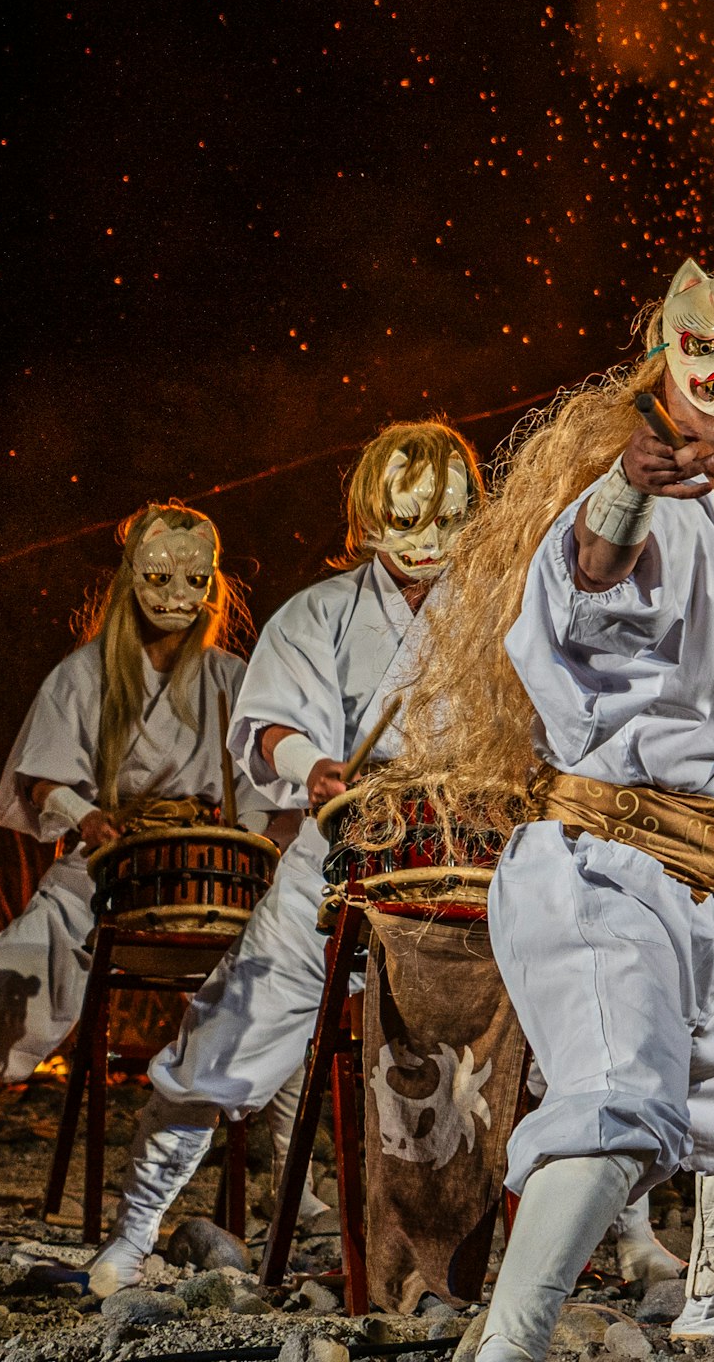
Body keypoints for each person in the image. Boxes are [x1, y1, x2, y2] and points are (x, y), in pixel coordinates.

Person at [413, 260, 714, 1357]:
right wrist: (629, 486)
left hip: (708, 883)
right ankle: (510, 1343)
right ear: (665, 370)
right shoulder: (635, 506)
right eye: (705, 355)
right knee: (616, 1105)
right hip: (599, 872)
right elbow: (589, 581)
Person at [79, 423, 479, 1292]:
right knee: (222, 1042)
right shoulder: (317, 615)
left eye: (448, 521)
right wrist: (314, 766)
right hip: (335, 870)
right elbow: (269, 726)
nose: (427, 545)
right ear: (369, 518)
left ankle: (576, 1240)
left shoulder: (497, 615)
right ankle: (136, 1229)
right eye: (407, 522)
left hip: (466, 875)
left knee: (541, 1042)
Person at [0, 502, 248, 1223]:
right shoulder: (85, 673)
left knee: (274, 1008)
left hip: (211, 884)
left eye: (193, 579)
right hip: (101, 875)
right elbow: (41, 781)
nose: (176, 594)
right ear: (131, 580)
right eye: (159, 576)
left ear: (211, 585)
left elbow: (262, 792)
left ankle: (293, 1189)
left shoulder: (230, 678)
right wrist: (87, 816)